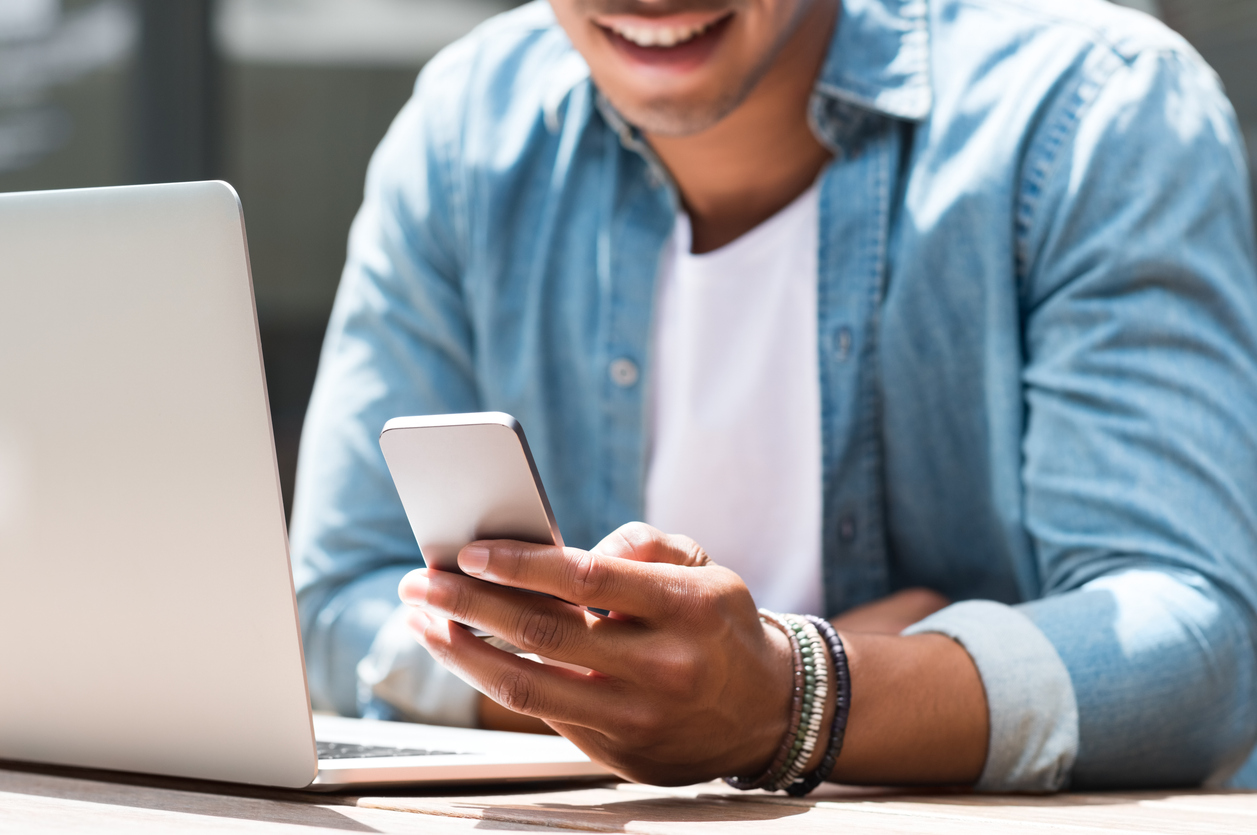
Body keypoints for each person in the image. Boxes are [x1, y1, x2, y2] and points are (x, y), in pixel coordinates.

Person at [289, 0, 1257, 792]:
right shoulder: (465, 130)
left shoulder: (1091, 106)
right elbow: (339, 601)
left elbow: (1196, 647)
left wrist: (792, 690)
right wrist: (657, 690)